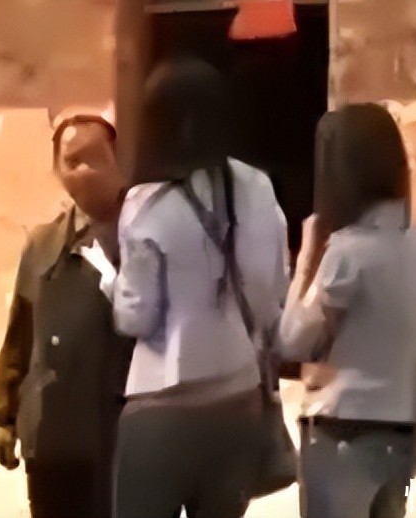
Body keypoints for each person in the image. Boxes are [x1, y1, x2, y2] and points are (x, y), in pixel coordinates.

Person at [105, 57, 290, 518]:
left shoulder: (146, 202)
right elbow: (272, 293)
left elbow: (136, 317)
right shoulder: (257, 186)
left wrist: (111, 285)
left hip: (163, 404)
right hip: (240, 400)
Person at [276, 103, 416, 518]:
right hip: (403, 430)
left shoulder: (348, 252)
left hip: (343, 431)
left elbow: (292, 340)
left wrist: (306, 259)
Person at [0, 108, 134, 518]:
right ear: (57, 171)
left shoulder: (141, 239)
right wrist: (6, 417)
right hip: (50, 433)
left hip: (114, 430)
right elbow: (19, 334)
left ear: (118, 162)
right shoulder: (42, 244)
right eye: (72, 161)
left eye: (95, 158)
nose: (84, 171)